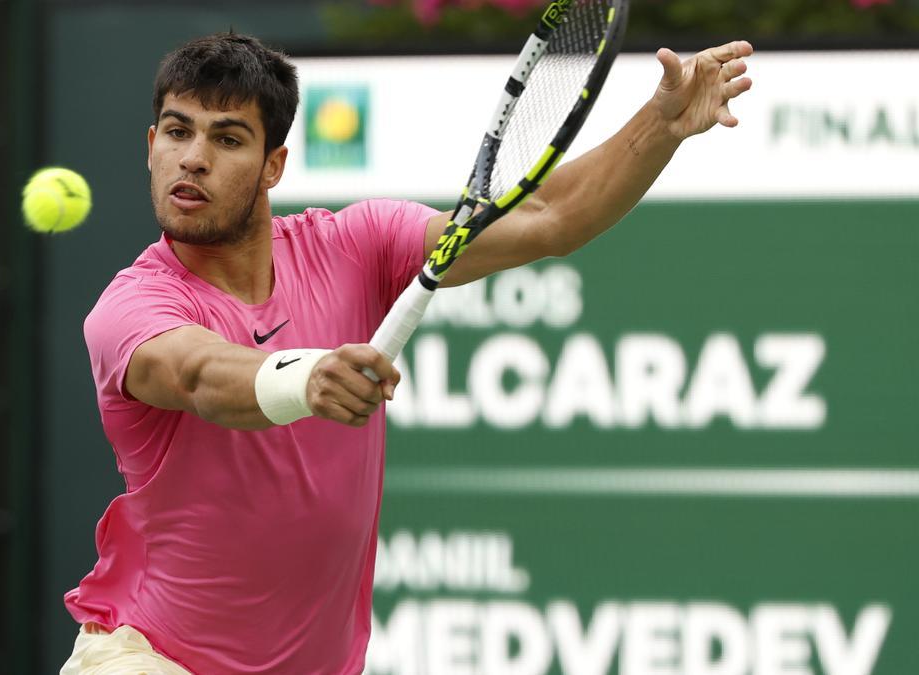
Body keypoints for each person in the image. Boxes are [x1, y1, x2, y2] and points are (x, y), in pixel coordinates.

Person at [59, 32, 754, 675]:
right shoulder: (130, 308)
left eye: (227, 138)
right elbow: (200, 373)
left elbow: (549, 219)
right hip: (148, 654)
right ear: (151, 143)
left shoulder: (358, 243)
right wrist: (306, 377)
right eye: (177, 132)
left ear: (274, 166)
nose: (193, 158)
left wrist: (659, 126)